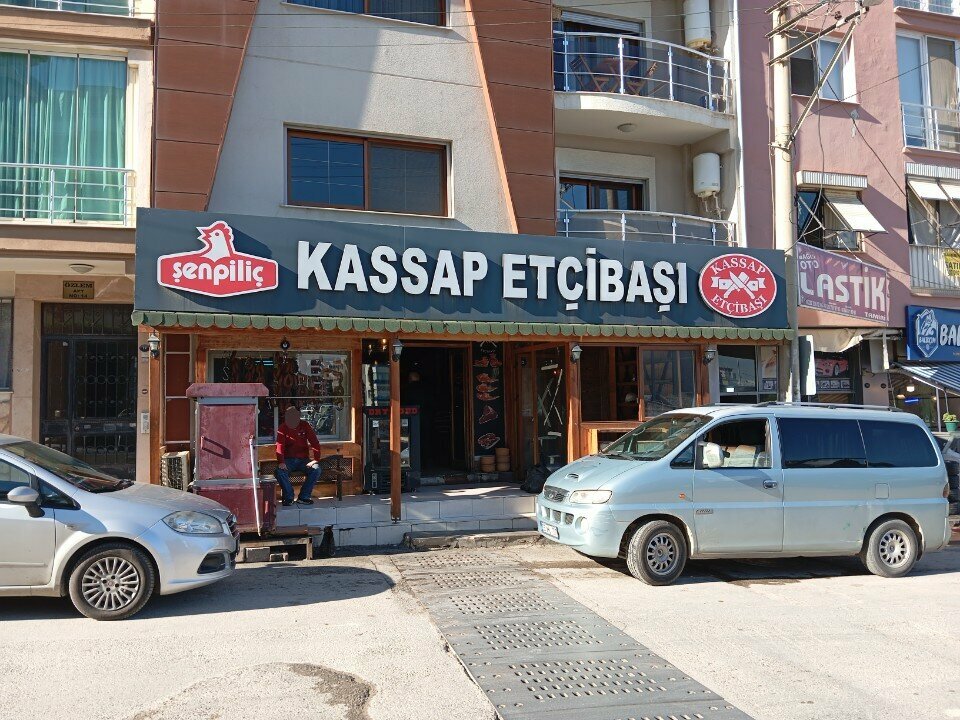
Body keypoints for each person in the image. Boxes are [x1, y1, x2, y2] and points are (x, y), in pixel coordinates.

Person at [274, 406, 322, 506]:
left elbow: (314, 442)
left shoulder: (305, 425)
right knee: (279, 472)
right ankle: (289, 497)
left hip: (303, 460)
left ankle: (304, 497)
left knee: (316, 469)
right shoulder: (283, 427)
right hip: (288, 460)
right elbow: (280, 445)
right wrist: (281, 462)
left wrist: (316, 459)